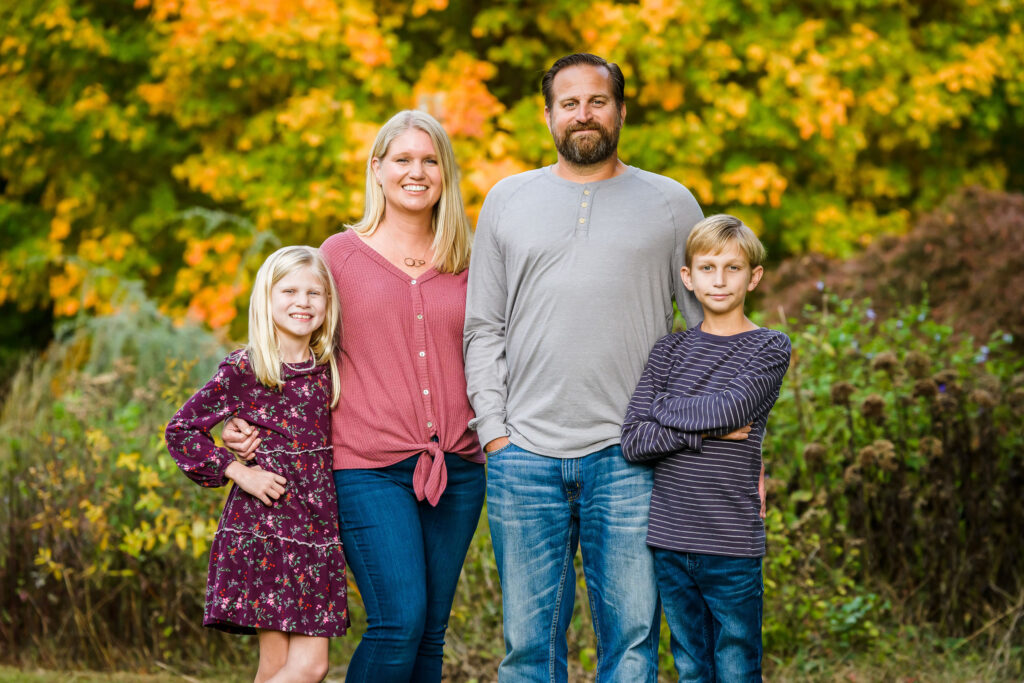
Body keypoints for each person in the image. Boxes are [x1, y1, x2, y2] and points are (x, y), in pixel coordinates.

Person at [463, 53, 704, 681]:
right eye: (569, 103)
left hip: (633, 455)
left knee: (632, 642)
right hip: (523, 456)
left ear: (621, 110)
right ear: (548, 116)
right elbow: (483, 326)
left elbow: (708, 330)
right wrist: (494, 432)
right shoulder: (507, 200)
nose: (584, 114)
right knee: (527, 648)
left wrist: (701, 439)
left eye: (597, 101)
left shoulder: (672, 203)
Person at [224, 110, 485, 682]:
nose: (416, 172)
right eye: (403, 159)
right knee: (398, 621)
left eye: (430, 160)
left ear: (446, 172)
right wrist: (246, 417)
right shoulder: (338, 256)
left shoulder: (471, 261)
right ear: (377, 168)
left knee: (431, 632)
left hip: (458, 468)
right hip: (368, 468)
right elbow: (294, 342)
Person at [621, 214, 791, 681]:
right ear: (688, 277)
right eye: (708, 268)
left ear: (753, 277)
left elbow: (731, 408)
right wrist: (704, 431)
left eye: (733, 268)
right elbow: (634, 441)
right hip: (670, 540)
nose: (719, 280)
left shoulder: (769, 347)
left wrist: (662, 408)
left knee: (736, 668)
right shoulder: (668, 351)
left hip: (731, 541)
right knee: (692, 667)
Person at [166, 245, 347, 683]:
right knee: (309, 667)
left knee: (278, 669)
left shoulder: (332, 368)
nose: (303, 302)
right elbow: (181, 430)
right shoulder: (246, 369)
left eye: (314, 293)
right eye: (289, 291)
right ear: (267, 298)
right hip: (266, 524)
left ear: (328, 303)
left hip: (317, 529)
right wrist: (239, 471)